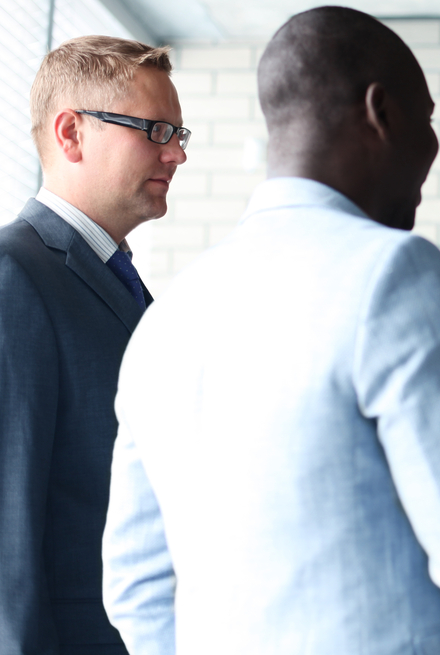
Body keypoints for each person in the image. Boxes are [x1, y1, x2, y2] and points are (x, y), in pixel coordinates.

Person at [101, 7, 440, 654]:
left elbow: (135, 589)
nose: (432, 147)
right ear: (380, 111)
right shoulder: (391, 273)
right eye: (429, 118)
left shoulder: (166, 319)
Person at [0, 36, 187, 653]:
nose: (176, 155)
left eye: (180, 135)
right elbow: (9, 525)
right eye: (156, 130)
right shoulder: (14, 275)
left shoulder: (121, 284)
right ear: (71, 133)